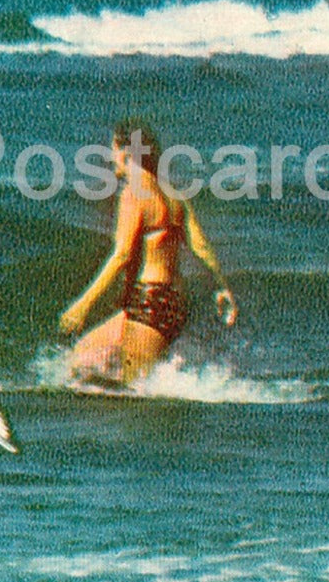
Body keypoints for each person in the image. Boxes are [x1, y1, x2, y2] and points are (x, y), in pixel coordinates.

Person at [59, 120, 237, 386]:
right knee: (81, 357)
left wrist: (83, 305)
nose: (111, 158)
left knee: (134, 389)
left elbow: (121, 256)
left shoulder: (133, 194)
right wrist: (223, 288)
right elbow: (201, 247)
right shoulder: (174, 196)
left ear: (127, 153)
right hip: (172, 301)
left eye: (113, 149)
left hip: (151, 301)